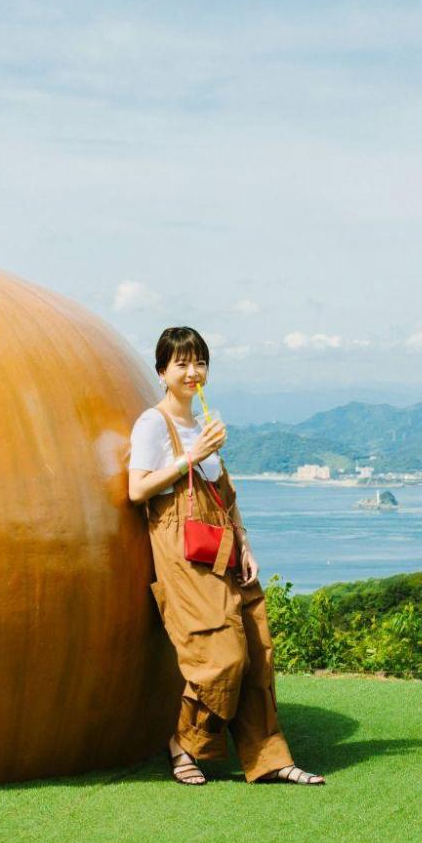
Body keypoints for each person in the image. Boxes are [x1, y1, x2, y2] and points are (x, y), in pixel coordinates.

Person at [128, 326, 324, 787]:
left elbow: (224, 497)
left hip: (226, 548)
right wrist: (190, 455)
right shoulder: (153, 424)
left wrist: (246, 543)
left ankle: (270, 758)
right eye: (181, 363)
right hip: (185, 555)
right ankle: (184, 744)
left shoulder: (204, 424)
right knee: (221, 656)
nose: (192, 372)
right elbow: (136, 489)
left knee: (257, 654)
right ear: (162, 373)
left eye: (200, 362)